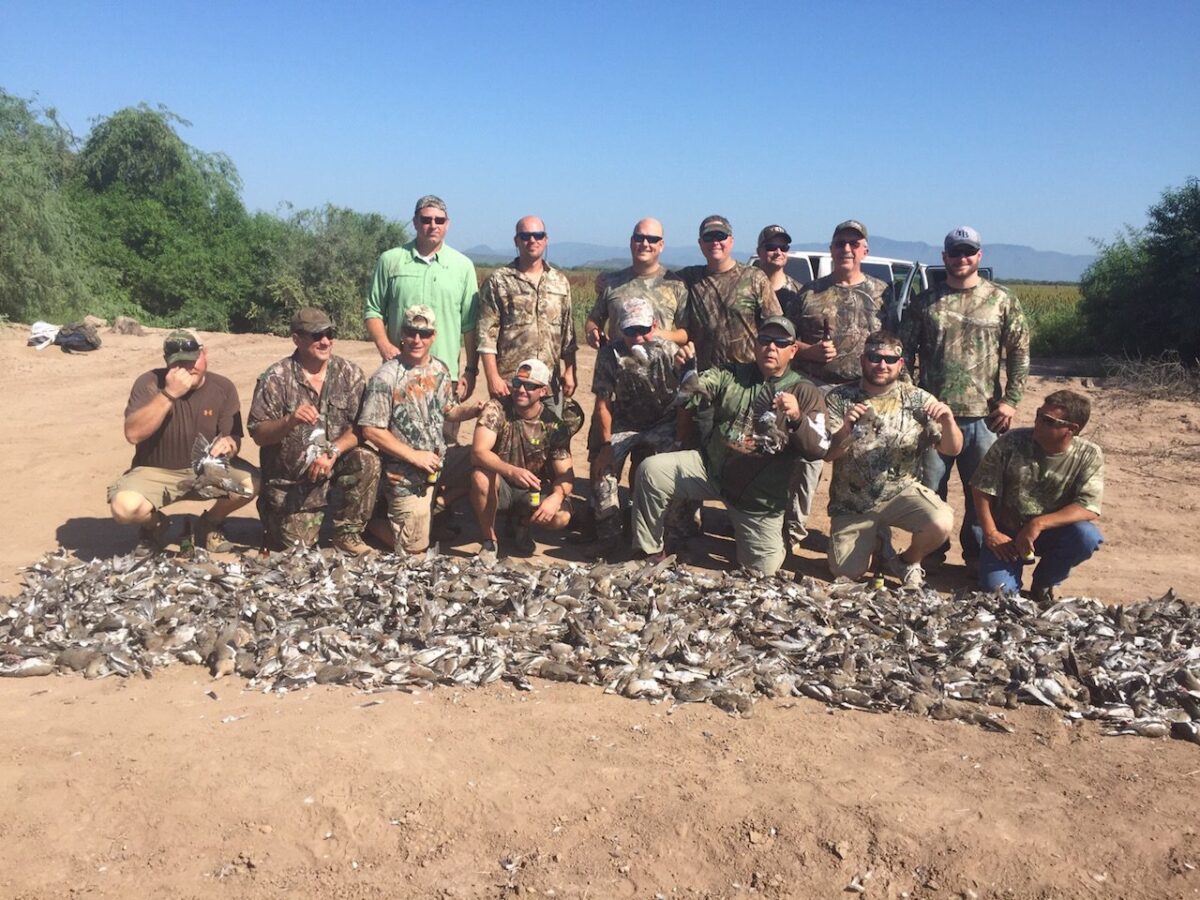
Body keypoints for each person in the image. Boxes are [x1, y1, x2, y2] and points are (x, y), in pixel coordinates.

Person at [632, 317, 828, 575]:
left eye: (781, 343)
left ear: (792, 351)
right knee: (652, 470)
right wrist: (686, 369)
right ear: (755, 346)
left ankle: (772, 537)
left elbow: (818, 448)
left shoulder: (804, 391)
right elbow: (698, 388)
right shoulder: (731, 373)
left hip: (758, 498)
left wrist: (796, 418)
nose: (771, 347)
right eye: (765, 340)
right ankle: (650, 551)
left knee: (761, 572)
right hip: (711, 471)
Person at [903, 225, 1031, 568]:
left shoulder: (1002, 300)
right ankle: (929, 557)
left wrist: (1012, 400)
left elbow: (1019, 353)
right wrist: (913, 399)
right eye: (955, 252)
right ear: (944, 257)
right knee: (931, 492)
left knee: (982, 496)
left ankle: (978, 559)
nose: (961, 258)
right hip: (933, 416)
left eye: (968, 252)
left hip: (985, 418)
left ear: (979, 256)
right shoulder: (925, 301)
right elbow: (904, 353)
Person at [783, 219, 895, 553]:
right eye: (840, 243)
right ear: (831, 249)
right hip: (818, 391)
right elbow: (787, 341)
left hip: (865, 393)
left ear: (865, 250)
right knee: (808, 462)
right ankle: (792, 534)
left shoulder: (882, 295)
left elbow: (896, 346)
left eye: (853, 243)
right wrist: (810, 351)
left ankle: (873, 539)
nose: (846, 249)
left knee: (872, 465)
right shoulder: (811, 293)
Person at [824, 331, 962, 587]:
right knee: (846, 573)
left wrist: (948, 420)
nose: (882, 365)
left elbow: (952, 449)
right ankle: (875, 539)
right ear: (863, 361)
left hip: (901, 493)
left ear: (900, 364)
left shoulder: (918, 399)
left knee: (941, 522)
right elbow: (829, 455)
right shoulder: (839, 398)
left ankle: (907, 561)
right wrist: (845, 428)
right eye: (875, 358)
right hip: (852, 503)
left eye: (889, 359)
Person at [108, 330, 257, 552]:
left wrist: (229, 444)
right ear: (167, 363)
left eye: (193, 360)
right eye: (179, 364)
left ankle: (209, 524)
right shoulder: (149, 382)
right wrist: (169, 394)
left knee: (253, 483)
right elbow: (133, 434)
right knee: (124, 508)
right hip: (155, 471)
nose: (189, 369)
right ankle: (155, 525)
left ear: (204, 353)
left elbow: (233, 437)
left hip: (206, 469)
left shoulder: (223, 387)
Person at [248, 307, 381, 555]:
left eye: (329, 334)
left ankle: (346, 533)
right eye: (316, 335)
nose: (325, 341)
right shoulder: (276, 377)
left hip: (333, 466)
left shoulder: (349, 373)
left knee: (367, 459)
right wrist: (289, 421)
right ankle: (276, 517)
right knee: (298, 550)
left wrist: (332, 452)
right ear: (297, 339)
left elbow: (361, 427)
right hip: (291, 483)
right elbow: (258, 434)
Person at [358, 306, 484, 555]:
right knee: (414, 550)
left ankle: (438, 506)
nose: (417, 340)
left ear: (434, 335)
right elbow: (371, 430)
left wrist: (471, 411)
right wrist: (414, 456)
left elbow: (448, 410)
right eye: (411, 332)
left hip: (439, 460)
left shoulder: (440, 369)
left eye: (424, 333)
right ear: (401, 334)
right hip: (403, 471)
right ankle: (371, 523)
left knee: (488, 461)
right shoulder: (385, 377)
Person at [363, 194, 480, 439]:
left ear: (448, 224)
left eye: (439, 220)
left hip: (444, 375)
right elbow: (373, 311)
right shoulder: (390, 261)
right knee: (395, 445)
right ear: (415, 222)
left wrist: (470, 370)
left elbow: (470, 325)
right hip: (399, 372)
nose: (433, 225)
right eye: (426, 219)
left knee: (443, 446)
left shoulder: (463, 266)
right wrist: (384, 345)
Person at [971, 389, 1103, 604]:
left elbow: (1088, 507)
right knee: (998, 596)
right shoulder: (1011, 442)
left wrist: (1038, 524)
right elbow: (981, 488)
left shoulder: (1088, 454)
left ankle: (1044, 582)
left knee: (1086, 536)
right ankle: (1002, 572)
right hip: (1007, 536)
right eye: (1039, 414)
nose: (1038, 422)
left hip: (1049, 533)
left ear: (1071, 429)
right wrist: (991, 533)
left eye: (1048, 420)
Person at [589, 297, 681, 548]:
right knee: (603, 472)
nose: (638, 337)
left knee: (678, 469)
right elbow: (603, 403)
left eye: (643, 330)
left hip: (663, 421)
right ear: (620, 330)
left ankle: (671, 534)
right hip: (624, 422)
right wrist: (606, 446)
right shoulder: (609, 354)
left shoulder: (670, 351)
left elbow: (687, 397)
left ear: (653, 326)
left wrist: (681, 437)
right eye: (631, 331)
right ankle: (608, 538)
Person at [469, 359, 575, 563]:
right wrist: (511, 471)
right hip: (502, 484)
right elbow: (478, 452)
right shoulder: (496, 408)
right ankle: (489, 540)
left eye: (530, 386)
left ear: (543, 391)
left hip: (532, 491)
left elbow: (566, 473)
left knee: (562, 516)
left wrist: (557, 496)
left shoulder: (554, 424)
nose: (521, 390)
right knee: (480, 476)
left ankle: (522, 524)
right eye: (517, 383)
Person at [477, 216, 578, 405]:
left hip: (548, 385)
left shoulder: (560, 282)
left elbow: (568, 335)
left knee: (550, 433)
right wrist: (493, 378)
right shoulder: (498, 281)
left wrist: (571, 370)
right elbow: (486, 336)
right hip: (511, 385)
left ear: (546, 240)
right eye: (525, 236)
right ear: (516, 241)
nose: (532, 240)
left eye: (538, 235)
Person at [674, 215, 782, 372]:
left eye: (721, 236)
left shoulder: (754, 278)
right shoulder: (688, 277)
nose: (715, 242)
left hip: (745, 380)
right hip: (704, 379)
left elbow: (776, 327)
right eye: (708, 237)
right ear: (700, 243)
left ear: (731, 241)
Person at [584, 218, 688, 348]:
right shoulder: (610, 282)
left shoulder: (675, 285)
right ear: (632, 242)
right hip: (617, 366)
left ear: (661, 245)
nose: (645, 243)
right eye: (639, 238)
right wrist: (592, 331)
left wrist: (656, 334)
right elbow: (593, 320)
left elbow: (686, 333)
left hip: (659, 366)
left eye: (652, 239)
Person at [752, 224, 804, 313]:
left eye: (784, 248)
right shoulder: (746, 289)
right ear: (758, 251)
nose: (778, 252)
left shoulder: (799, 293)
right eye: (771, 247)